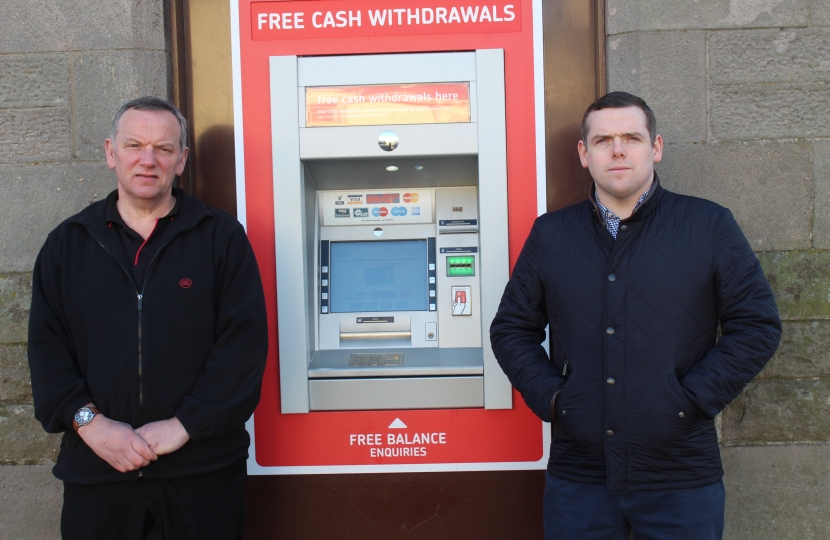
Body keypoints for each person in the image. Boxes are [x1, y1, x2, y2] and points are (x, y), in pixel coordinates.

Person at [490, 91, 781, 540]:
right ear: (584, 154)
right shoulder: (552, 234)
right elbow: (512, 328)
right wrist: (554, 398)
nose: (619, 149)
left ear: (656, 147)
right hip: (580, 477)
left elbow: (757, 325)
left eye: (632, 137)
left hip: (680, 474)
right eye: (604, 140)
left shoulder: (708, 225)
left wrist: (691, 400)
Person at [28, 96, 268, 539]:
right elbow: (47, 353)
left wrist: (184, 426)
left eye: (163, 148)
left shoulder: (221, 238)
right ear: (110, 152)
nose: (147, 160)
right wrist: (90, 424)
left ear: (181, 161)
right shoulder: (67, 246)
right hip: (99, 473)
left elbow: (243, 349)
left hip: (202, 473)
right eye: (134, 144)